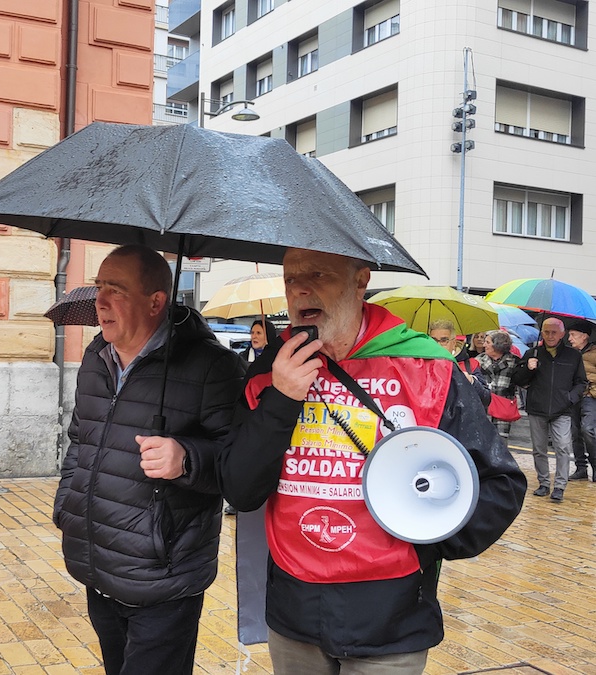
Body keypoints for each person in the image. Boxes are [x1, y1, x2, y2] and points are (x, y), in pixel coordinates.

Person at [218, 248, 526, 675]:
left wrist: (426, 539)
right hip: (294, 614)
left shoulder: (426, 367)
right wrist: (282, 399)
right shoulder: (270, 370)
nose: (300, 289)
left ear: (361, 280)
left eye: (318, 275)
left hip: (390, 620)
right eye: (290, 279)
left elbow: (501, 484)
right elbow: (240, 489)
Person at [53, 244, 245, 675]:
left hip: (164, 578)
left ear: (156, 301)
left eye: (116, 289)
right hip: (97, 565)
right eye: (99, 286)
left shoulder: (213, 366)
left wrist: (187, 459)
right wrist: (68, 506)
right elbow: (80, 439)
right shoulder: (96, 357)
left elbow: (240, 468)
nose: (100, 301)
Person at [513, 317, 587, 502]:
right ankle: (544, 483)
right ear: (542, 333)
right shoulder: (532, 353)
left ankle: (560, 486)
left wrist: (570, 398)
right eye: (546, 332)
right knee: (539, 449)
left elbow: (581, 382)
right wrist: (528, 368)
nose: (550, 336)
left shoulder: (573, 356)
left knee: (563, 447)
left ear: (562, 334)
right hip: (537, 408)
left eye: (554, 332)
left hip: (562, 409)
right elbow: (518, 380)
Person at [428, 319, 491, 406]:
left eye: (444, 340)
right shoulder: (422, 365)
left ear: (453, 343)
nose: (438, 345)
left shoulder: (470, 365)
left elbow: (486, 398)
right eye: (434, 340)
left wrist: (471, 380)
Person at [566, 320, 596, 481]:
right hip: (573, 397)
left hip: (590, 397)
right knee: (575, 433)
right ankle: (581, 468)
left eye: (573, 335)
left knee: (588, 429)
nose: (569, 338)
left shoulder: (594, 353)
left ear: (584, 336)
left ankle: (595, 466)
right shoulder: (571, 354)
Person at [478, 330, 521, 439]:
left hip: (502, 409)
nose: (484, 345)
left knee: (501, 442)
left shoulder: (515, 362)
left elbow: (523, 382)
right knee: (481, 440)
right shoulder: (478, 361)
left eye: (487, 342)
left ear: (498, 345)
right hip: (483, 408)